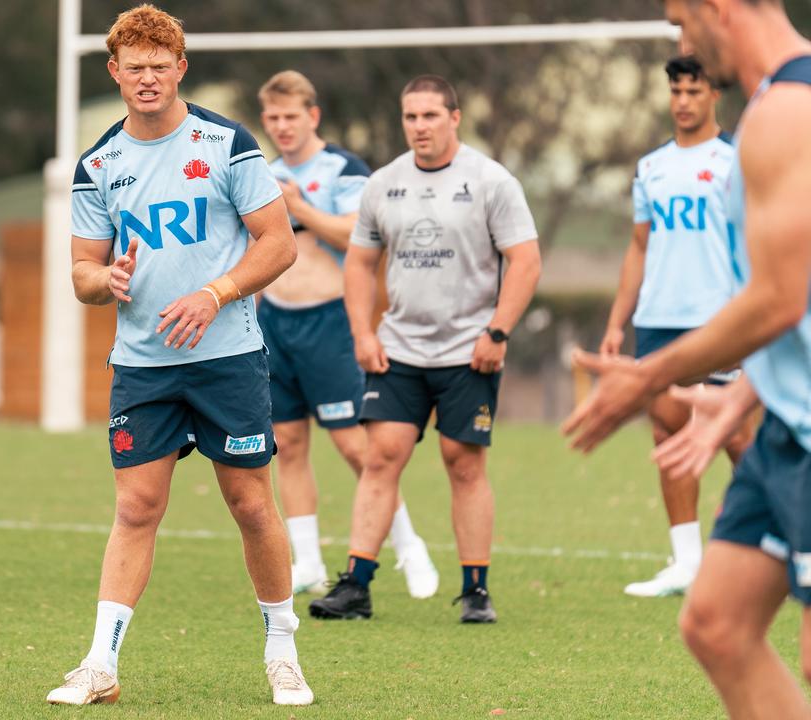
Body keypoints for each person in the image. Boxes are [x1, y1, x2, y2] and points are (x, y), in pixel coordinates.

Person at [46, 5, 311, 707]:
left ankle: (282, 651)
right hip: (142, 365)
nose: (148, 80)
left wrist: (215, 293)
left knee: (251, 505)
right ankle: (100, 663)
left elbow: (278, 243)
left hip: (227, 357)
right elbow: (79, 271)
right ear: (115, 72)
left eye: (161, 67)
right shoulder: (98, 162)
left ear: (180, 68)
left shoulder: (225, 142)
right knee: (136, 507)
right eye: (135, 68)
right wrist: (105, 281)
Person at [565, 1, 811, 716]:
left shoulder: (783, 116)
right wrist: (744, 396)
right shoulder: (774, 107)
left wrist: (649, 373)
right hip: (785, 427)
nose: (683, 42)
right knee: (717, 627)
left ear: (719, 8)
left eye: (682, 21)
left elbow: (778, 299)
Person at [310, 75, 541, 623]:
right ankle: (356, 585)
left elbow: (525, 261)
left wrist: (498, 332)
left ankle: (476, 591)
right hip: (399, 351)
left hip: (470, 350)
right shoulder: (384, 183)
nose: (420, 127)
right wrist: (364, 334)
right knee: (381, 457)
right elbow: (361, 263)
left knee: (463, 464)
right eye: (411, 117)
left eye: (431, 116)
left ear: (454, 118)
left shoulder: (491, 181)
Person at [255, 70, 438, 600]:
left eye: (292, 117)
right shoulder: (262, 172)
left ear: (313, 116)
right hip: (276, 321)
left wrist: (300, 208)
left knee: (357, 449)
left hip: (330, 322)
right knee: (286, 443)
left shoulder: (342, 169)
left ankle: (408, 546)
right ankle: (307, 561)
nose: (282, 127)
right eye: (273, 118)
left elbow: (360, 237)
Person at [599, 55, 751, 597]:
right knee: (668, 435)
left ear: (715, 95)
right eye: (676, 91)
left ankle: (781, 551)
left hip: (719, 319)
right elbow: (640, 246)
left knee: (736, 437)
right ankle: (686, 562)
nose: (683, 101)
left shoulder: (738, 158)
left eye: (694, 90)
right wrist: (619, 321)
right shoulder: (651, 167)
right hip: (659, 319)